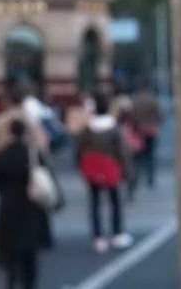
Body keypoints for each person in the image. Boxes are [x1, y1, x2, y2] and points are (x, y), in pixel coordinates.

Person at [76, 91, 134, 253]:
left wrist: (80, 166)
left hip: (93, 168)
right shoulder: (114, 128)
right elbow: (122, 152)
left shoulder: (88, 128)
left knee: (94, 203)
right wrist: (127, 170)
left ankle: (98, 237)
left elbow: (79, 150)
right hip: (111, 168)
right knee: (115, 202)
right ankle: (117, 233)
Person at [0, 120, 48, 289]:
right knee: (30, 252)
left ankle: (11, 281)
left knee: (11, 251)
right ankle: (30, 283)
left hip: (9, 204)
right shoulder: (32, 154)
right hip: (30, 203)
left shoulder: (1, 154)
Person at [131, 85, 164, 189]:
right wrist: (156, 124)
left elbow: (130, 115)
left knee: (137, 157)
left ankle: (135, 178)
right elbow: (160, 115)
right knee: (150, 155)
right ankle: (150, 178)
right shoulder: (152, 100)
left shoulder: (135, 100)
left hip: (138, 130)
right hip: (150, 130)